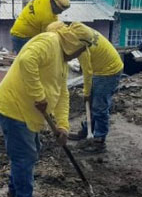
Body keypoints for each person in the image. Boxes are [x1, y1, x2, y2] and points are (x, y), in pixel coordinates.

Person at [0, 22, 95, 197]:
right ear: (74, 42)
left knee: (29, 152)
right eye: (81, 49)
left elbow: (62, 95)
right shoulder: (49, 41)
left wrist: (63, 126)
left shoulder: (62, 61)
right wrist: (39, 96)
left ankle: (14, 194)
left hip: (26, 114)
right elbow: (26, 60)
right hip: (14, 108)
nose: (78, 55)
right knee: (24, 156)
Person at [42, 22, 123, 154]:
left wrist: (86, 93)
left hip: (109, 71)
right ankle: (87, 131)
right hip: (101, 67)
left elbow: (87, 72)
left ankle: (99, 141)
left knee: (99, 107)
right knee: (92, 104)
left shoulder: (78, 45)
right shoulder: (76, 31)